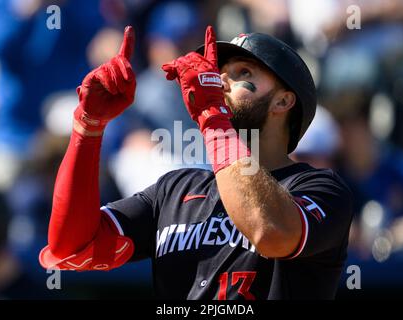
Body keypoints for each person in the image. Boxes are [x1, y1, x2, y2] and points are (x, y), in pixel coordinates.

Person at [39, 25, 353, 300]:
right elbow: (71, 248)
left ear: (283, 101)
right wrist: (89, 126)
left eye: (243, 73)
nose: (222, 83)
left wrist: (212, 116)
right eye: (221, 73)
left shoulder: (321, 189)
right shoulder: (175, 189)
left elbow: (269, 231)